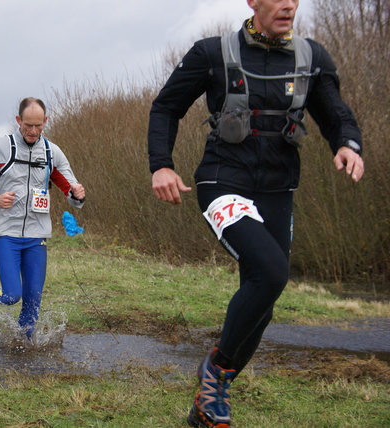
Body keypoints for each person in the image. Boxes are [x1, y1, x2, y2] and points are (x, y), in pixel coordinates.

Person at [147, 1, 364, 427]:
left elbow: (335, 114)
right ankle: (215, 372)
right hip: (222, 181)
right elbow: (165, 107)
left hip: (278, 189)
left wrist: (347, 144)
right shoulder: (212, 53)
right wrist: (161, 164)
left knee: (262, 299)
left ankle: (209, 399)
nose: (288, 5)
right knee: (271, 272)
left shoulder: (311, 57)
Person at [0, 97, 85, 341]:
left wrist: (77, 194)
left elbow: (71, 190)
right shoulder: (0, 148)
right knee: (11, 295)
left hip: (36, 233)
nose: (33, 131)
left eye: (38, 126)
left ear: (45, 122)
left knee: (33, 300)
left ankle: (23, 346)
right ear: (18, 120)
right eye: (28, 125)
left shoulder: (52, 152)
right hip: (5, 231)